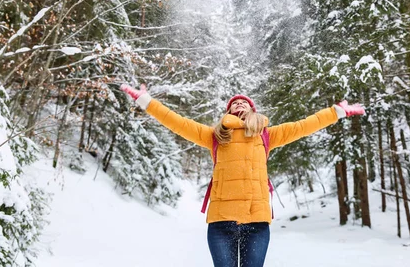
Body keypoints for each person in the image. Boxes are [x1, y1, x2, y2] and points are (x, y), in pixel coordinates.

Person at [121, 83, 364, 267]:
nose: (239, 104)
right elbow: (178, 122)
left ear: (252, 109)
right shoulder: (216, 136)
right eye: (234, 103)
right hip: (221, 222)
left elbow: (303, 125)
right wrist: (147, 101)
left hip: (257, 221)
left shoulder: (267, 135)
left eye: (244, 102)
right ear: (227, 111)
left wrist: (336, 112)